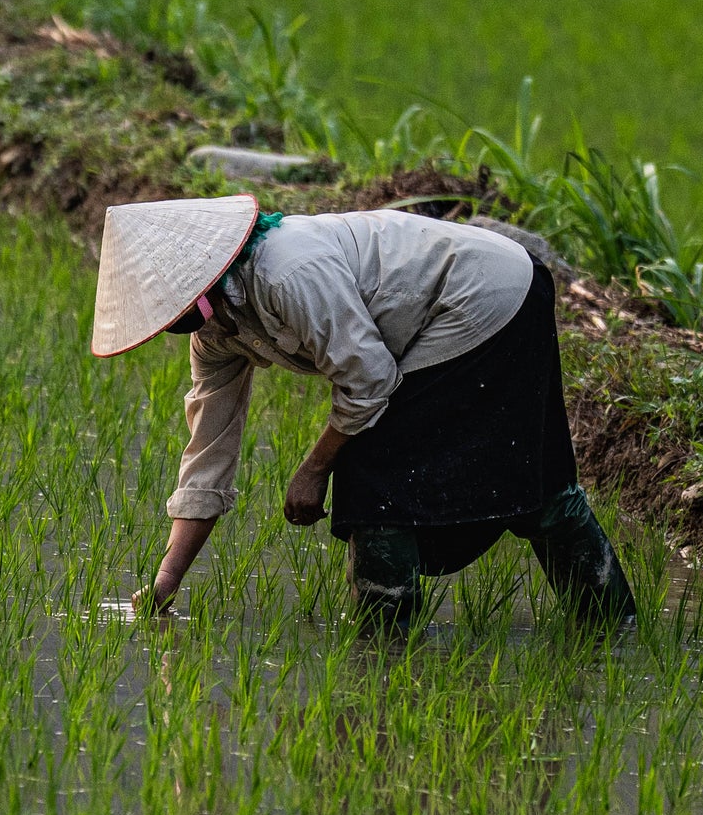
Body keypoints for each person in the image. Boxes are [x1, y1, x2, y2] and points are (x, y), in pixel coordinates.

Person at [90, 192, 635, 627]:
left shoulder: (286, 272)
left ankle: (385, 640)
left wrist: (313, 468)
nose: (174, 324)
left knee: (377, 476)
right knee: (503, 473)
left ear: (203, 280)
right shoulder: (217, 333)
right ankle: (608, 620)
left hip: (487, 295)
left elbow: (370, 381)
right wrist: (165, 583)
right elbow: (207, 452)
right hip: (441, 318)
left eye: (175, 309)